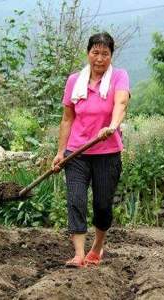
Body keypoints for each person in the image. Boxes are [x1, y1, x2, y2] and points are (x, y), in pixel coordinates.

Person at [52, 32, 130, 268]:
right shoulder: (74, 81)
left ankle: (96, 248)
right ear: (88, 53)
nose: (99, 58)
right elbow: (67, 119)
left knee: (102, 205)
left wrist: (112, 126)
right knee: (75, 200)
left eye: (105, 53)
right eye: (95, 52)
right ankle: (78, 253)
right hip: (76, 153)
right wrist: (60, 152)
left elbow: (121, 103)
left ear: (111, 56)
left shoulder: (119, 76)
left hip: (107, 153)